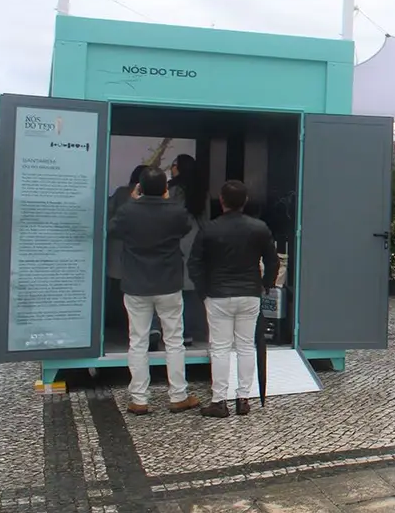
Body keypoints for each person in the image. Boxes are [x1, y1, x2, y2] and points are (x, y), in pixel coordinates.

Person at [107, 167, 200, 416]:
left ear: (138, 187)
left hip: (136, 284)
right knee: (174, 341)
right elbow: (183, 228)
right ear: (165, 189)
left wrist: (132, 200)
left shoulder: (128, 210)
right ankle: (178, 395)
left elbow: (113, 228)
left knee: (137, 341)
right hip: (168, 283)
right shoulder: (176, 212)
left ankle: (139, 399)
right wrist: (167, 202)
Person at [188, 180, 279, 419]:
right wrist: (266, 284)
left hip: (218, 294)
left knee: (219, 348)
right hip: (249, 293)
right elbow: (273, 260)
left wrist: (203, 291)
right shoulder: (259, 228)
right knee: (246, 346)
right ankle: (243, 398)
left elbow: (194, 263)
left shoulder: (209, 228)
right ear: (246, 201)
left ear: (222, 200)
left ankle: (219, 401)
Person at [169, 154, 209, 347]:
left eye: (174, 165)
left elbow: (171, 217)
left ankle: (177, 332)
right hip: (196, 240)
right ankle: (191, 332)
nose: (171, 168)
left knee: (175, 291)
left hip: (177, 240)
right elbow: (206, 221)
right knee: (192, 290)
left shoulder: (174, 190)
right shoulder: (202, 191)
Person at [106, 164, 148, 337]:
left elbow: (108, 214)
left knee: (116, 290)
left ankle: (115, 325)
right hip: (140, 252)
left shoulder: (121, 192)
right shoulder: (153, 197)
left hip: (117, 247)